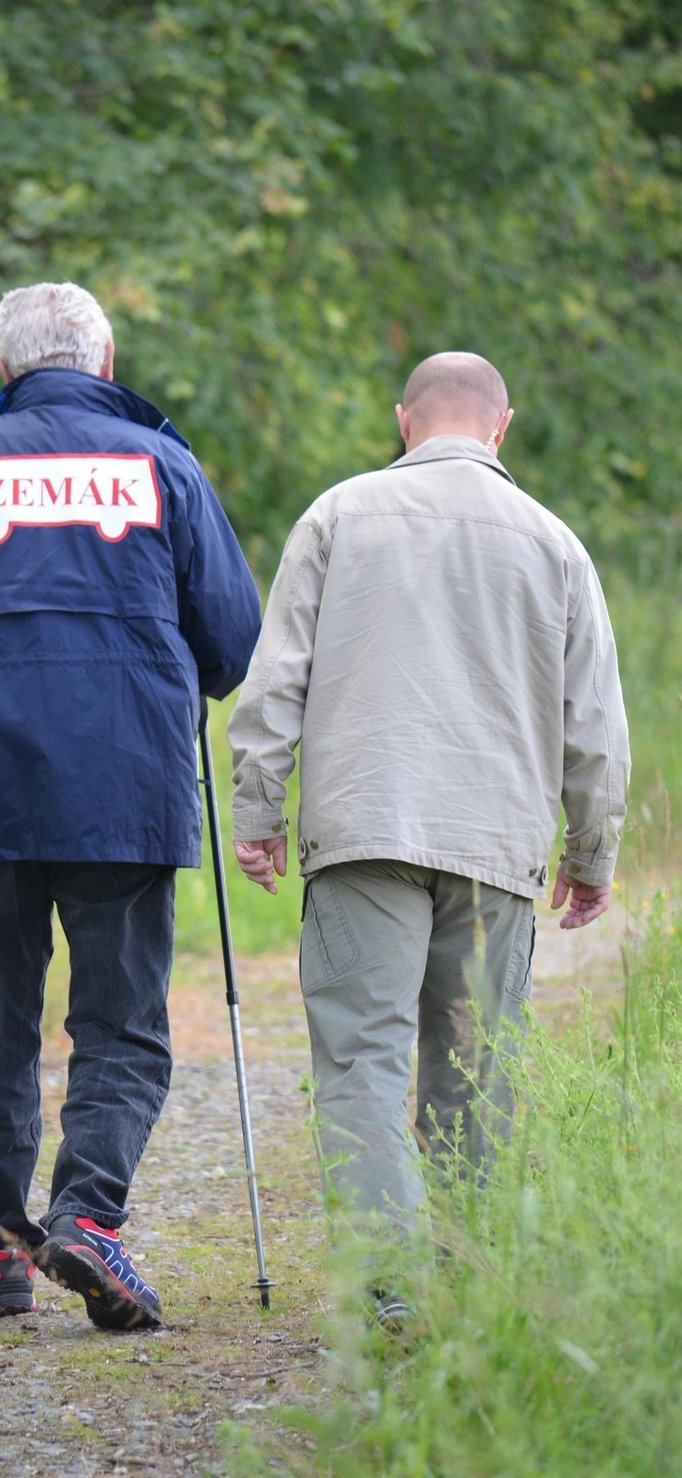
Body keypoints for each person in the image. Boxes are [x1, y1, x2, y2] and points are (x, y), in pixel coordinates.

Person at [0, 282, 261, 1330]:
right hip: (129, 785)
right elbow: (232, 635)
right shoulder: (165, 466)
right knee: (120, 1020)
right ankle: (88, 1220)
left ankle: (3, 1247)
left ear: (6, 367)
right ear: (106, 355)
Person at [227, 351, 629, 1323]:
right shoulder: (554, 542)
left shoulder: (336, 516)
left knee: (363, 1058)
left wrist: (258, 810)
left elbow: (275, 679)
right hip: (494, 843)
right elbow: (595, 725)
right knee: (475, 1063)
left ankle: (391, 1281)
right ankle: (464, 1284)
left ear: (406, 420)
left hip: (363, 827)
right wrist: (591, 855)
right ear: (502, 425)